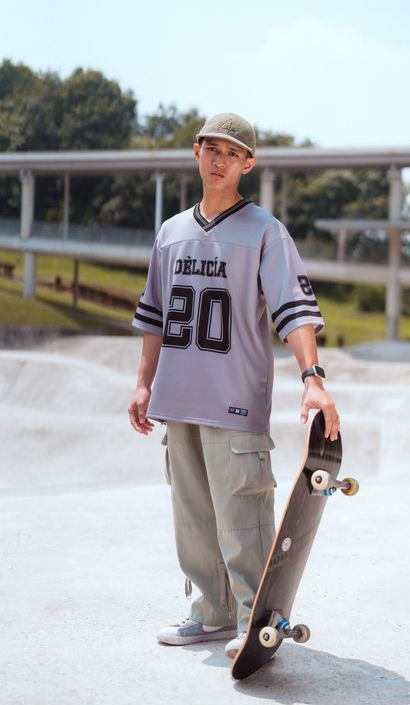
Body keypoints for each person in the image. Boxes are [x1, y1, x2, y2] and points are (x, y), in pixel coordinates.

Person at [128, 112, 340, 659]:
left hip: (235, 402)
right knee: (194, 519)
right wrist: (144, 384)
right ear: (196, 152)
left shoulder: (265, 231)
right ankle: (212, 613)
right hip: (178, 402)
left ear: (248, 163)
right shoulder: (170, 232)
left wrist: (312, 378)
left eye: (232, 153)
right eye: (212, 149)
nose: (219, 161)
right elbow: (154, 317)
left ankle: (255, 619)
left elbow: (294, 310)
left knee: (243, 517)